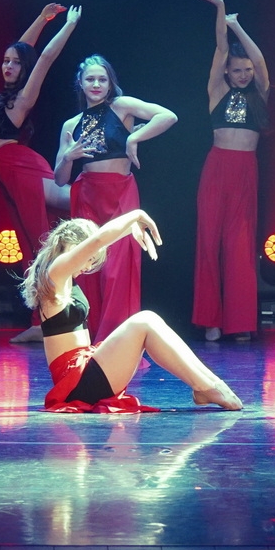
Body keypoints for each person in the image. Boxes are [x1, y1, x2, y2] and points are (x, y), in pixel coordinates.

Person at [19, 212, 243, 412]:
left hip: (86, 371)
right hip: (76, 384)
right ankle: (206, 387)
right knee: (144, 321)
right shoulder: (55, 273)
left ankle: (210, 385)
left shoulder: (64, 277)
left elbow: (97, 242)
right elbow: (98, 240)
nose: (87, 266)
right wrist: (136, 215)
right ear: (75, 247)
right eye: (89, 258)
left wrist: (129, 229)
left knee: (150, 321)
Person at [53, 55, 178, 343]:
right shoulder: (72, 123)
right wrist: (68, 157)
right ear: (81, 83)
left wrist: (133, 138)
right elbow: (60, 178)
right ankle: (90, 340)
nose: (96, 84)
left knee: (117, 271)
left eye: (102, 79)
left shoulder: (121, 106)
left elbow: (167, 116)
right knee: (88, 267)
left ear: (110, 84)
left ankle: (118, 343)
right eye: (90, 79)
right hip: (87, 196)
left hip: (120, 193)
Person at [0, 3, 80, 343]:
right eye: (5, 61)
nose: (8, 65)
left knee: (39, 239)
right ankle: (43, 318)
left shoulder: (23, 98)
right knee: (32, 241)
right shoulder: (7, 94)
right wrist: (41, 19)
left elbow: (44, 58)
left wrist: (67, 25)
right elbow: (23, 49)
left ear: (24, 70)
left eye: (15, 63)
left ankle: (46, 320)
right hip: (9, 170)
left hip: (18, 168)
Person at [190, 0, 270, 342]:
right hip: (217, 168)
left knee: (240, 245)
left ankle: (240, 322)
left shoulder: (260, 94)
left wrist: (237, 25)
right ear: (226, 72)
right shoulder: (217, 90)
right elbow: (221, 48)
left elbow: (260, 61)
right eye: (237, 70)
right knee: (209, 242)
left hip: (245, 171)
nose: (243, 74)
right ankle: (212, 320)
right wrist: (220, 8)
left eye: (246, 70)